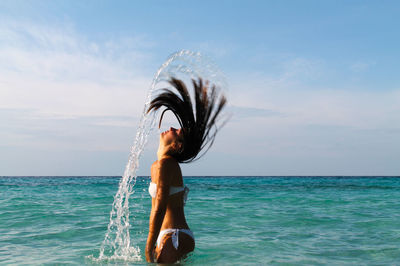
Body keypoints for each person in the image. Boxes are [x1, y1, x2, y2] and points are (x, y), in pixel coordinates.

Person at [145, 77, 227, 263]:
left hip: (174, 235)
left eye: (177, 131)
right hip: (171, 235)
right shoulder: (157, 165)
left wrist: (149, 245)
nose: (172, 128)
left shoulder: (166, 164)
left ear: (177, 146)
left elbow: (159, 208)